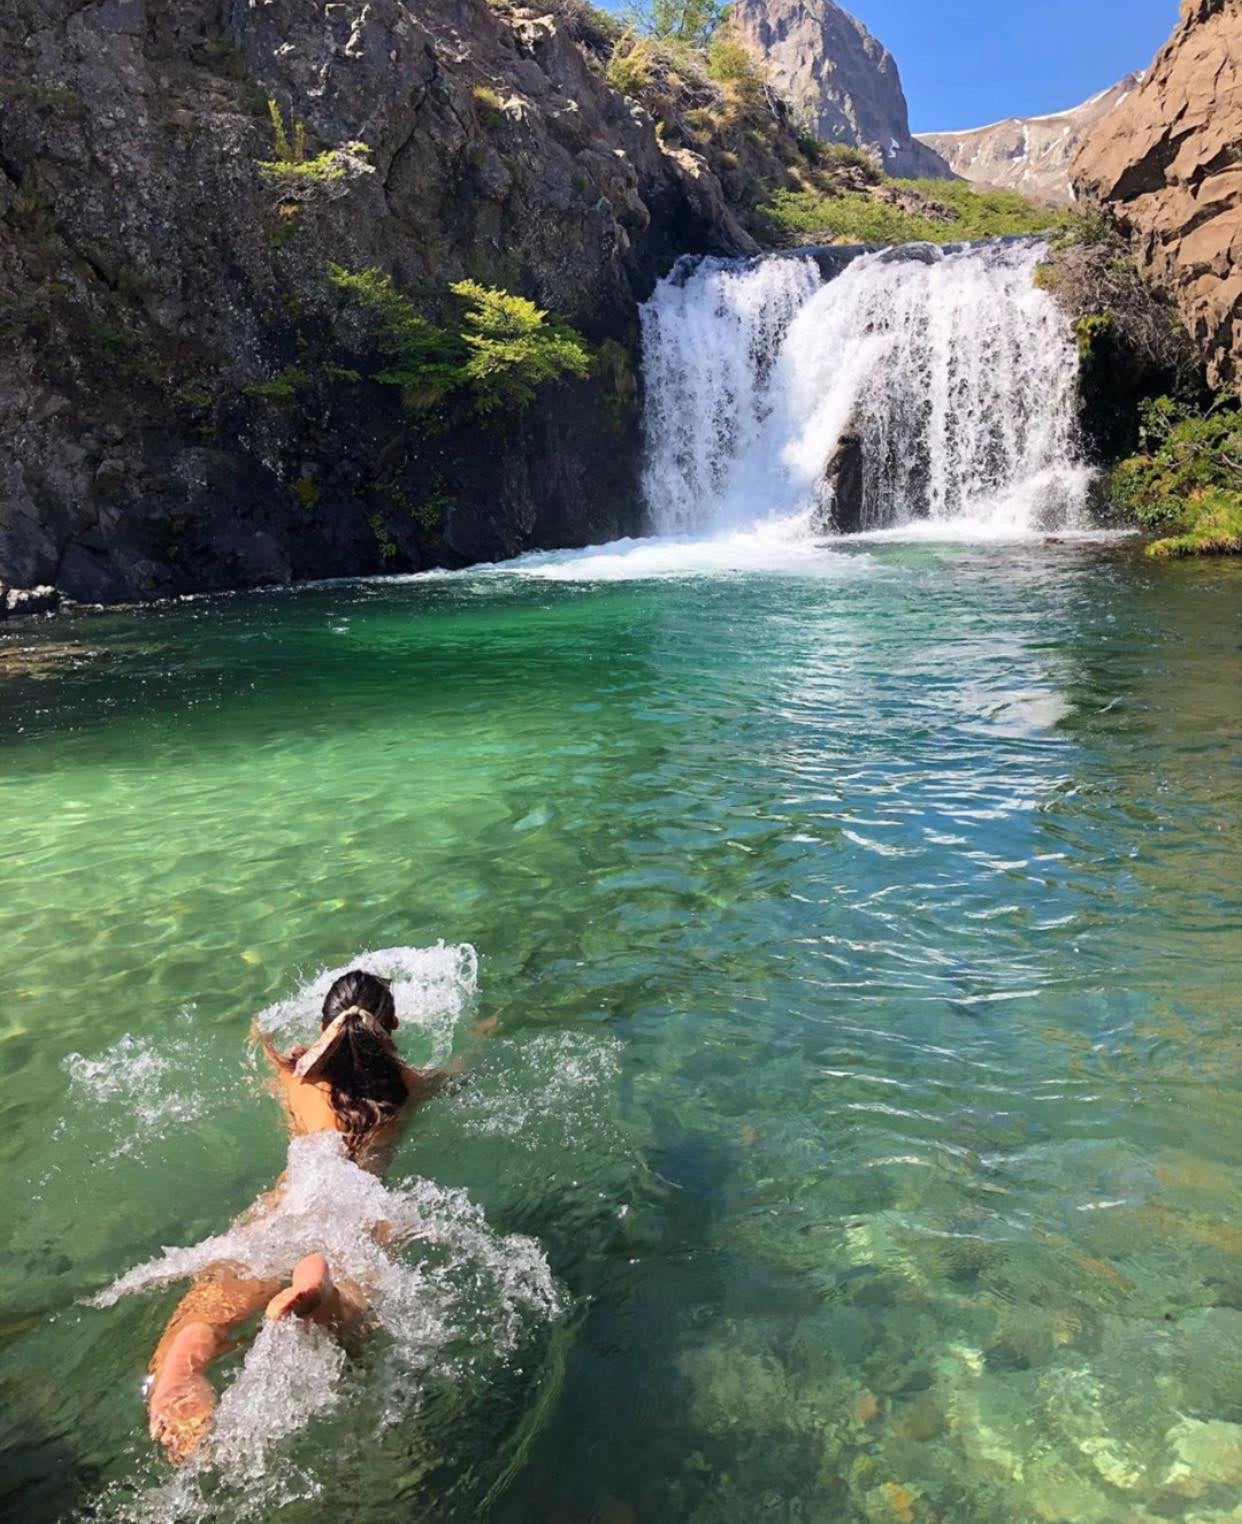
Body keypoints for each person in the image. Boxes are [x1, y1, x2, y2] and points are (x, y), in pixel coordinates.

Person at [145, 969, 448, 1463]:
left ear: (324, 1026)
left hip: (287, 1206)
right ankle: (320, 1295)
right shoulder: (408, 1088)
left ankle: (179, 1379)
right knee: (355, 1323)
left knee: (202, 1317)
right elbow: (450, 1076)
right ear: (389, 1029)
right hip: (359, 1210)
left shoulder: (291, 1076)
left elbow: (269, 1048)